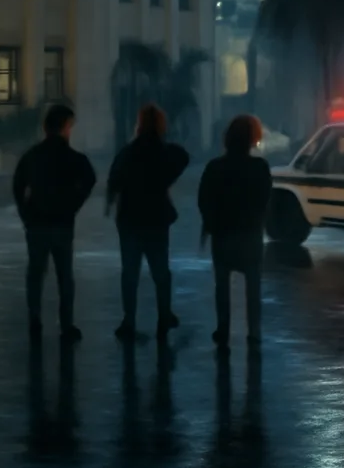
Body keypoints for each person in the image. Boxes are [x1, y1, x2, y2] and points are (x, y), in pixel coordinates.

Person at [13, 103, 97, 341]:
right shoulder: (73, 158)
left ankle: (35, 319)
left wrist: (25, 213)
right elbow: (90, 179)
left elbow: (18, 185)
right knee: (64, 275)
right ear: (65, 127)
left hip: (37, 223)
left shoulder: (32, 156)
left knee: (36, 274)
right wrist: (74, 204)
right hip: (62, 223)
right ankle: (66, 324)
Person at [106, 103, 189, 340]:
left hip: (130, 218)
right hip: (156, 218)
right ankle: (164, 314)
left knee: (129, 272)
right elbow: (182, 157)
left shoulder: (128, 152)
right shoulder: (164, 152)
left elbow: (115, 179)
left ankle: (129, 320)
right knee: (161, 270)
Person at [197, 114, 272, 353]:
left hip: (223, 234)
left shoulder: (215, 167)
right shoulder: (260, 168)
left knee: (222, 285)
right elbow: (264, 199)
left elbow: (204, 200)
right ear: (252, 139)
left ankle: (223, 329)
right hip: (250, 234)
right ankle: (254, 331)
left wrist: (210, 223)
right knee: (253, 285)